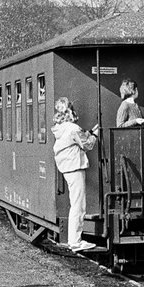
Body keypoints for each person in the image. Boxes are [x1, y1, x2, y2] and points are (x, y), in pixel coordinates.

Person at [52, 98, 99, 251]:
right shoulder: (73, 128)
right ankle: (75, 241)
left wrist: (89, 133)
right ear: (70, 112)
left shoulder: (61, 128)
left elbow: (77, 140)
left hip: (67, 167)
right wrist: (95, 135)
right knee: (78, 205)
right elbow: (88, 145)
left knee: (76, 203)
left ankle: (75, 239)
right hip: (75, 167)